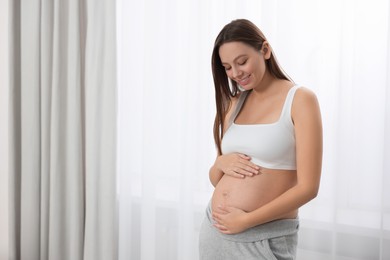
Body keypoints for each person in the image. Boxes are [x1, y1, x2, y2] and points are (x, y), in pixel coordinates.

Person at [198, 19, 323, 260]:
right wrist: (219, 164)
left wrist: (246, 220)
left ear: (264, 50)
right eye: (227, 67)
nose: (236, 74)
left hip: (263, 237)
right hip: (215, 231)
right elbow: (217, 179)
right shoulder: (234, 103)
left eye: (241, 61)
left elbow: (308, 188)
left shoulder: (300, 100)